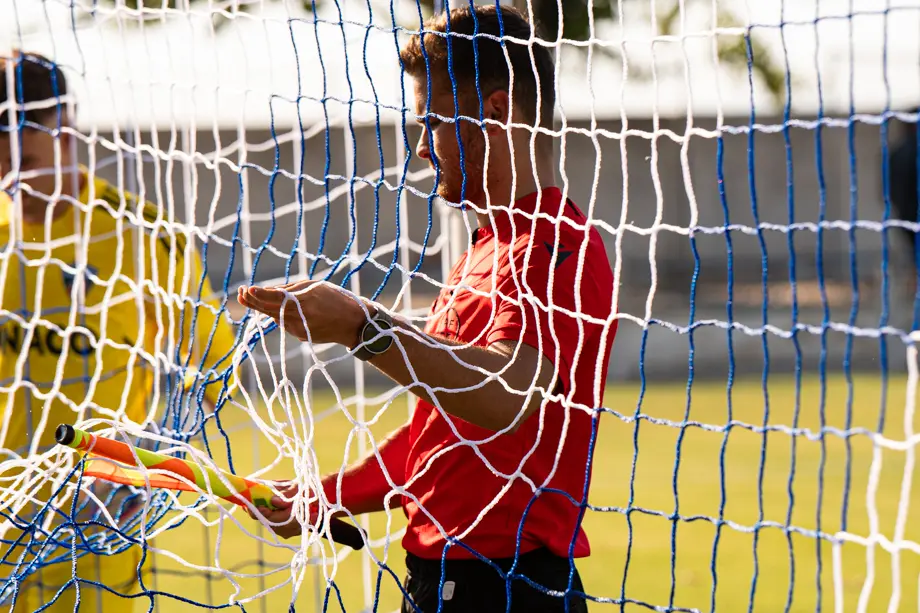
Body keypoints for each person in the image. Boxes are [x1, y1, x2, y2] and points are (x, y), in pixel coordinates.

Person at [240, 6, 616, 613]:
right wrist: (323, 496)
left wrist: (361, 327)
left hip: (509, 587)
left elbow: (506, 395)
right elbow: (437, 440)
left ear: (496, 111)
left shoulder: (555, 245)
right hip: (442, 582)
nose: (420, 148)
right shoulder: (486, 249)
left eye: (433, 121)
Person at [0, 52, 238, 612]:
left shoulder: (142, 235)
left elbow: (216, 371)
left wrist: (150, 459)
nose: (7, 154)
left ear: (64, 129)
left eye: (22, 134)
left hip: (96, 518)